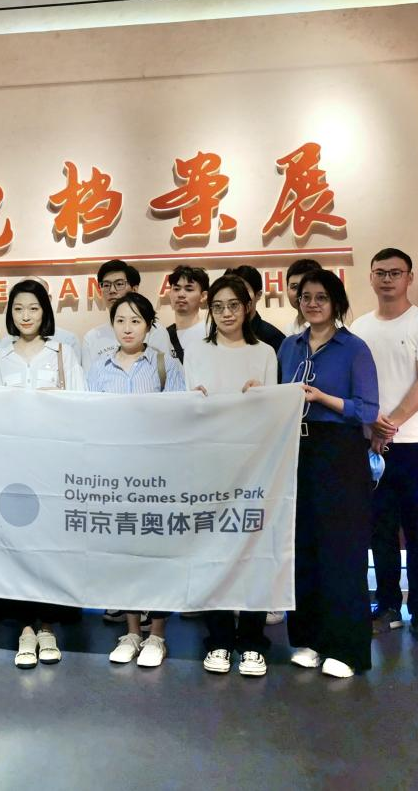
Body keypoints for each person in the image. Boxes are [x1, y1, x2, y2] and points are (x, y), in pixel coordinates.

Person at [280, 269, 379, 678]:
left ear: (336, 302)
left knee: (342, 550)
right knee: (303, 548)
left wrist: (323, 398)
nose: (312, 304)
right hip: (296, 450)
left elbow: (367, 409)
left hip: (339, 451)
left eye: (321, 297)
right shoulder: (289, 346)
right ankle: (309, 639)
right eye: (306, 297)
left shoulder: (354, 348)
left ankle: (347, 648)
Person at [0, 279, 85, 668]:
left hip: (53, 465)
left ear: (45, 312)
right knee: (18, 545)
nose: (26, 316)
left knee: (50, 547)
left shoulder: (63, 353)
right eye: (18, 309)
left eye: (33, 308)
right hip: (13, 467)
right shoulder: (1, 359)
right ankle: (25, 628)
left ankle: (47, 626)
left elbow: (81, 404)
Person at [350, 249, 418, 646]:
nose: (387, 279)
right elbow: (354, 384)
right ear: (371, 278)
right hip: (371, 446)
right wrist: (371, 424)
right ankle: (388, 607)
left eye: (395, 272)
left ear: (410, 277)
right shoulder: (359, 327)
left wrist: (390, 424)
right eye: (380, 272)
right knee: (381, 532)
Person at [183, 274, 278, 676]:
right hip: (209, 466)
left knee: (254, 552)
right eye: (218, 306)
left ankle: (253, 641)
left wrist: (262, 397)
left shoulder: (265, 353)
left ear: (248, 308)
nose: (225, 314)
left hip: (254, 466)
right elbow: (187, 411)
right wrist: (194, 401)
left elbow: (275, 413)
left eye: (233, 306)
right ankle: (219, 638)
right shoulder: (196, 351)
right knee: (213, 553)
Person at [86, 292, 185, 668]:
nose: (127, 328)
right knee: (123, 554)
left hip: (155, 474)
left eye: (135, 321)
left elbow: (177, 416)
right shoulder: (99, 367)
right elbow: (90, 418)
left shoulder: (164, 364)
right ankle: (131, 631)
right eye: (120, 321)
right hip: (115, 474)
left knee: (157, 554)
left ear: (148, 325)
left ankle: (157, 634)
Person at [82, 259, 172, 370]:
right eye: (106, 285)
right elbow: (89, 378)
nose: (112, 290)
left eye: (119, 284)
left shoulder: (155, 331)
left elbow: (166, 371)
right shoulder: (92, 338)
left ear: (134, 289)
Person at [232, 265, 287, 354]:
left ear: (258, 295)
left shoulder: (273, 337)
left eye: (244, 290)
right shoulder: (225, 334)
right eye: (234, 290)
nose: (238, 295)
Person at [165, 265, 209, 361]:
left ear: (203, 296)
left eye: (189, 289)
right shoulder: (162, 336)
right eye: (176, 289)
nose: (181, 294)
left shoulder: (210, 333)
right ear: (170, 293)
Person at [284, 259, 322, 335]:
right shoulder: (287, 330)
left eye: (306, 286)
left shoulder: (335, 330)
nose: (300, 293)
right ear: (287, 290)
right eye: (294, 287)